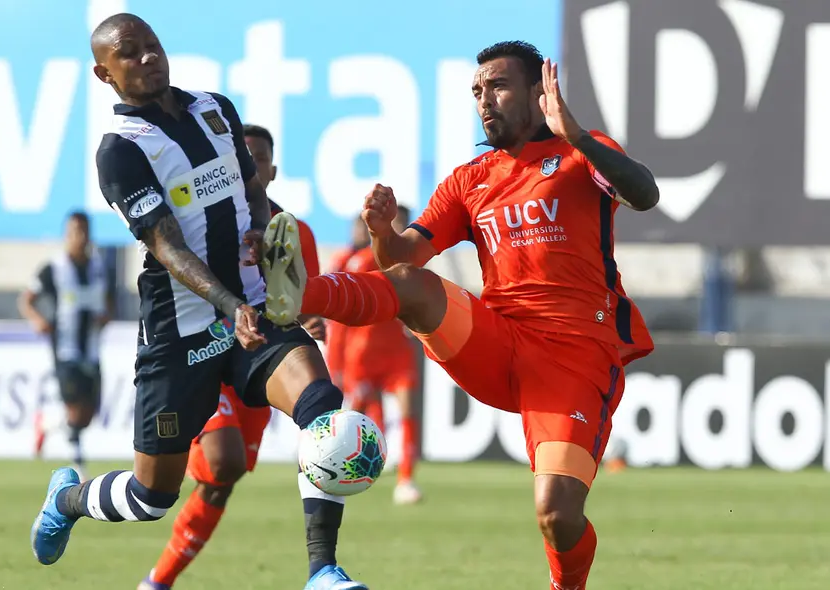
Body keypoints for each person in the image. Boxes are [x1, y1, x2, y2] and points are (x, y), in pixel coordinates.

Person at [263, 41, 658, 590]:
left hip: (574, 357)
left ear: (538, 92)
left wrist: (578, 136)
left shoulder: (580, 155)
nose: (484, 100)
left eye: (497, 86)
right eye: (477, 90)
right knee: (417, 287)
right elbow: (402, 260)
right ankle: (301, 294)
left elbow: (646, 194)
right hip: (498, 342)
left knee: (557, 516)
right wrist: (382, 234)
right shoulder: (470, 179)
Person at [29, 14, 369, 590]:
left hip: (254, 311)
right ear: (103, 73)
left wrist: (267, 241)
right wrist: (225, 301)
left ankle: (323, 571)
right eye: (129, 54)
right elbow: (165, 244)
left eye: (153, 47)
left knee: (323, 408)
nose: (147, 59)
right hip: (180, 330)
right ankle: (67, 498)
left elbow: (251, 194)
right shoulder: (121, 151)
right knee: (152, 496)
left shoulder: (216, 109)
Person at [139, 123, 327, 590]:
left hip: (261, 362)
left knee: (223, 479)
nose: (249, 166)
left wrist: (313, 318)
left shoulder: (292, 231)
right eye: (240, 157)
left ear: (271, 169)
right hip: (205, 352)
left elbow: (300, 298)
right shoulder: (197, 220)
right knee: (221, 463)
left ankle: (156, 582)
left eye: (258, 159)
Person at [18, 211, 114, 481]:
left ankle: (47, 424)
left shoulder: (99, 267)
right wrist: (37, 320)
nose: (79, 237)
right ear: (66, 235)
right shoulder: (54, 269)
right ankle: (79, 468)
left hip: (93, 349)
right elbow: (26, 299)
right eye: (74, 232)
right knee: (74, 408)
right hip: (65, 349)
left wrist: (107, 315)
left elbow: (109, 302)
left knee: (87, 415)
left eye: (84, 231)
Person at [339, 205, 422, 505]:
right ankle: (340, 469)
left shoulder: (413, 263)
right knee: (353, 417)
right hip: (362, 354)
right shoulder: (360, 262)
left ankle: (406, 480)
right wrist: (336, 361)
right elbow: (341, 314)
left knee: (408, 411)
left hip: (396, 353)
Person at [323, 217, 370, 388]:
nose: (362, 233)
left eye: (365, 228)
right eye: (359, 228)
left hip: (359, 331)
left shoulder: (372, 257)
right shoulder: (342, 257)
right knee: (336, 379)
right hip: (338, 327)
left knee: (359, 386)